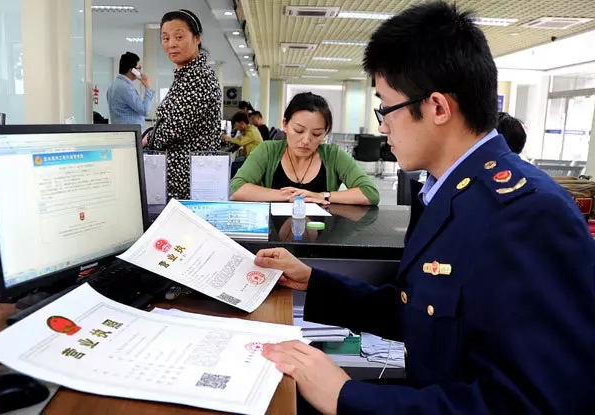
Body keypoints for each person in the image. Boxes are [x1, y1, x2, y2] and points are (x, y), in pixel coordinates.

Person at [254, 3, 595, 414]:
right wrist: (314, 283)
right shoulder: (447, 191)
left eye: (386, 108)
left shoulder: (527, 214)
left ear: (437, 107)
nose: (382, 126)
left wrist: (345, 396)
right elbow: (422, 312)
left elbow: (533, 402)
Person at [231, 92, 379, 206]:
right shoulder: (268, 150)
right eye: (299, 130)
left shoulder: (333, 155)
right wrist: (290, 196)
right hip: (273, 233)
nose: (306, 140)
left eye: (317, 134)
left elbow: (370, 193)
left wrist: (322, 195)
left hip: (322, 234)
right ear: (285, 124)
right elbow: (236, 188)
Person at [143, 9, 222, 200]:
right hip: (181, 180)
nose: (171, 44)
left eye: (179, 37)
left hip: (187, 183)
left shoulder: (199, 77)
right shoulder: (186, 76)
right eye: (165, 38)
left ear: (197, 38)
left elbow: (173, 129)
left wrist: (145, 139)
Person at [106, 52, 154, 131]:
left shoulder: (113, 85)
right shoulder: (126, 88)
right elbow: (145, 111)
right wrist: (147, 87)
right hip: (131, 134)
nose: (140, 71)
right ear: (132, 70)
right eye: (139, 68)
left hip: (121, 132)